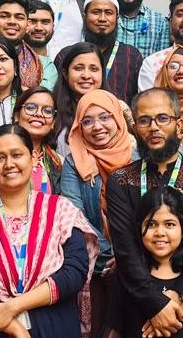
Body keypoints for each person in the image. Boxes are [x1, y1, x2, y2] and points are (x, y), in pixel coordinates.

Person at [0, 124, 99, 338]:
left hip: (53, 325)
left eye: (17, 155)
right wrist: (13, 327)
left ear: (34, 158)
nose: (9, 164)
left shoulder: (61, 210)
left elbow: (75, 271)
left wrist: (11, 308)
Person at [106, 88, 183, 338]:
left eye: (162, 118)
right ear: (134, 128)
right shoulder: (120, 180)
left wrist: (179, 296)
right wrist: (155, 303)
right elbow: (125, 247)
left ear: (179, 125)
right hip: (135, 295)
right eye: (144, 120)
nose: (153, 127)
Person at [61, 89, 138, 333]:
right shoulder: (74, 162)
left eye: (105, 117)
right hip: (96, 266)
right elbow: (75, 215)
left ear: (118, 118)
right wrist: (112, 257)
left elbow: (149, 215)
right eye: (87, 121)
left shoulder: (138, 157)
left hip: (139, 264)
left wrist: (127, 257)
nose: (97, 126)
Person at [105, 187, 183, 338]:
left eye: (169, 224)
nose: (160, 232)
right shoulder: (125, 280)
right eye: (151, 224)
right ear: (139, 228)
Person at [0, 86, 64, 200]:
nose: (39, 114)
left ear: (53, 122)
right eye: (31, 108)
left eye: (47, 111)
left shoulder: (59, 162)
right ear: (16, 115)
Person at [56, 0, 142, 105]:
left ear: (117, 18)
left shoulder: (132, 55)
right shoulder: (66, 54)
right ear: (84, 16)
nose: (102, 18)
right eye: (96, 12)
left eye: (108, 13)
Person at [53, 42, 106, 155]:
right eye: (78, 68)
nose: (86, 75)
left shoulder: (116, 110)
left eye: (94, 69)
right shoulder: (51, 110)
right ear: (65, 73)